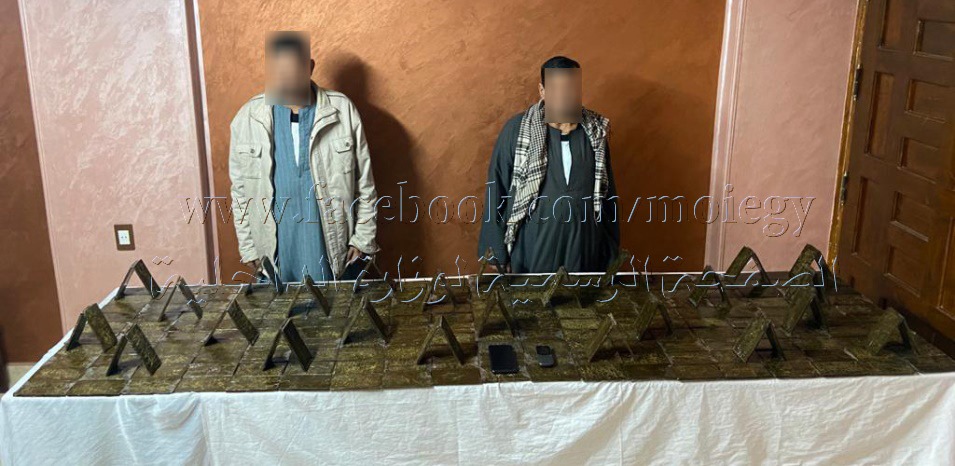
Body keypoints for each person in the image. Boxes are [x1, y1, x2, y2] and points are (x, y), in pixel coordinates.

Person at [229, 32, 378, 282]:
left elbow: (365, 184)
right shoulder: (248, 119)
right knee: (280, 306)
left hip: (334, 253)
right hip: (276, 255)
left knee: (336, 306)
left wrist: (363, 239)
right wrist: (248, 247)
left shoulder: (342, 111)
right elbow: (240, 192)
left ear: (309, 67)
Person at [478, 56, 620, 273]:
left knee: (582, 293)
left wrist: (611, 250)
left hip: (585, 249)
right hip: (532, 249)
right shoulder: (517, 130)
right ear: (542, 90)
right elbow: (497, 187)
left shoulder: (595, 133)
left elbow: (607, 195)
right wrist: (495, 252)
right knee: (534, 293)